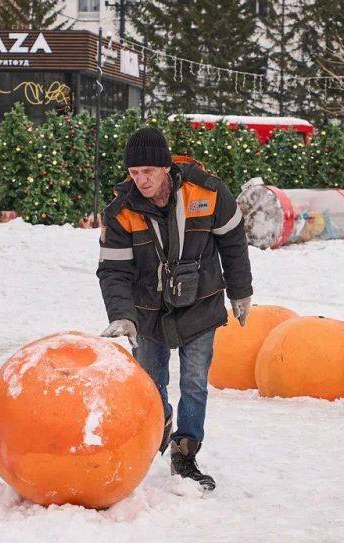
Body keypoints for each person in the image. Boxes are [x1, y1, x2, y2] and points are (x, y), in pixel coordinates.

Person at [97, 127, 253, 491]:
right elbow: (113, 270)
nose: (142, 180)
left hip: (200, 303)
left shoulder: (209, 193)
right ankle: (161, 421)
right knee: (151, 383)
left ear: (166, 167)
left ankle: (185, 453)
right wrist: (122, 315)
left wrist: (241, 292)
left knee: (195, 381)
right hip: (148, 311)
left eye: (148, 171)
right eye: (134, 173)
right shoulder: (121, 212)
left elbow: (233, 244)